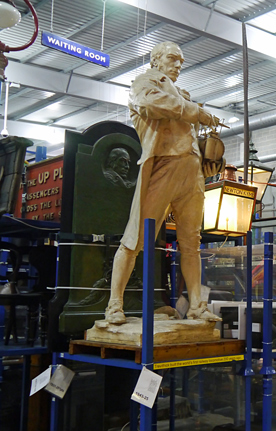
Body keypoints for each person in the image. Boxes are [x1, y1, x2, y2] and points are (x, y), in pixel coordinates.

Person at [105, 41, 219, 324]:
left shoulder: (183, 95)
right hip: (164, 166)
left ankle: (196, 305)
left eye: (181, 61)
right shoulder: (144, 83)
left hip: (192, 173)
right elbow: (148, 103)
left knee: (191, 242)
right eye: (172, 58)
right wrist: (196, 112)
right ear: (156, 60)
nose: (178, 64)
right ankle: (114, 305)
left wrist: (206, 152)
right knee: (135, 239)